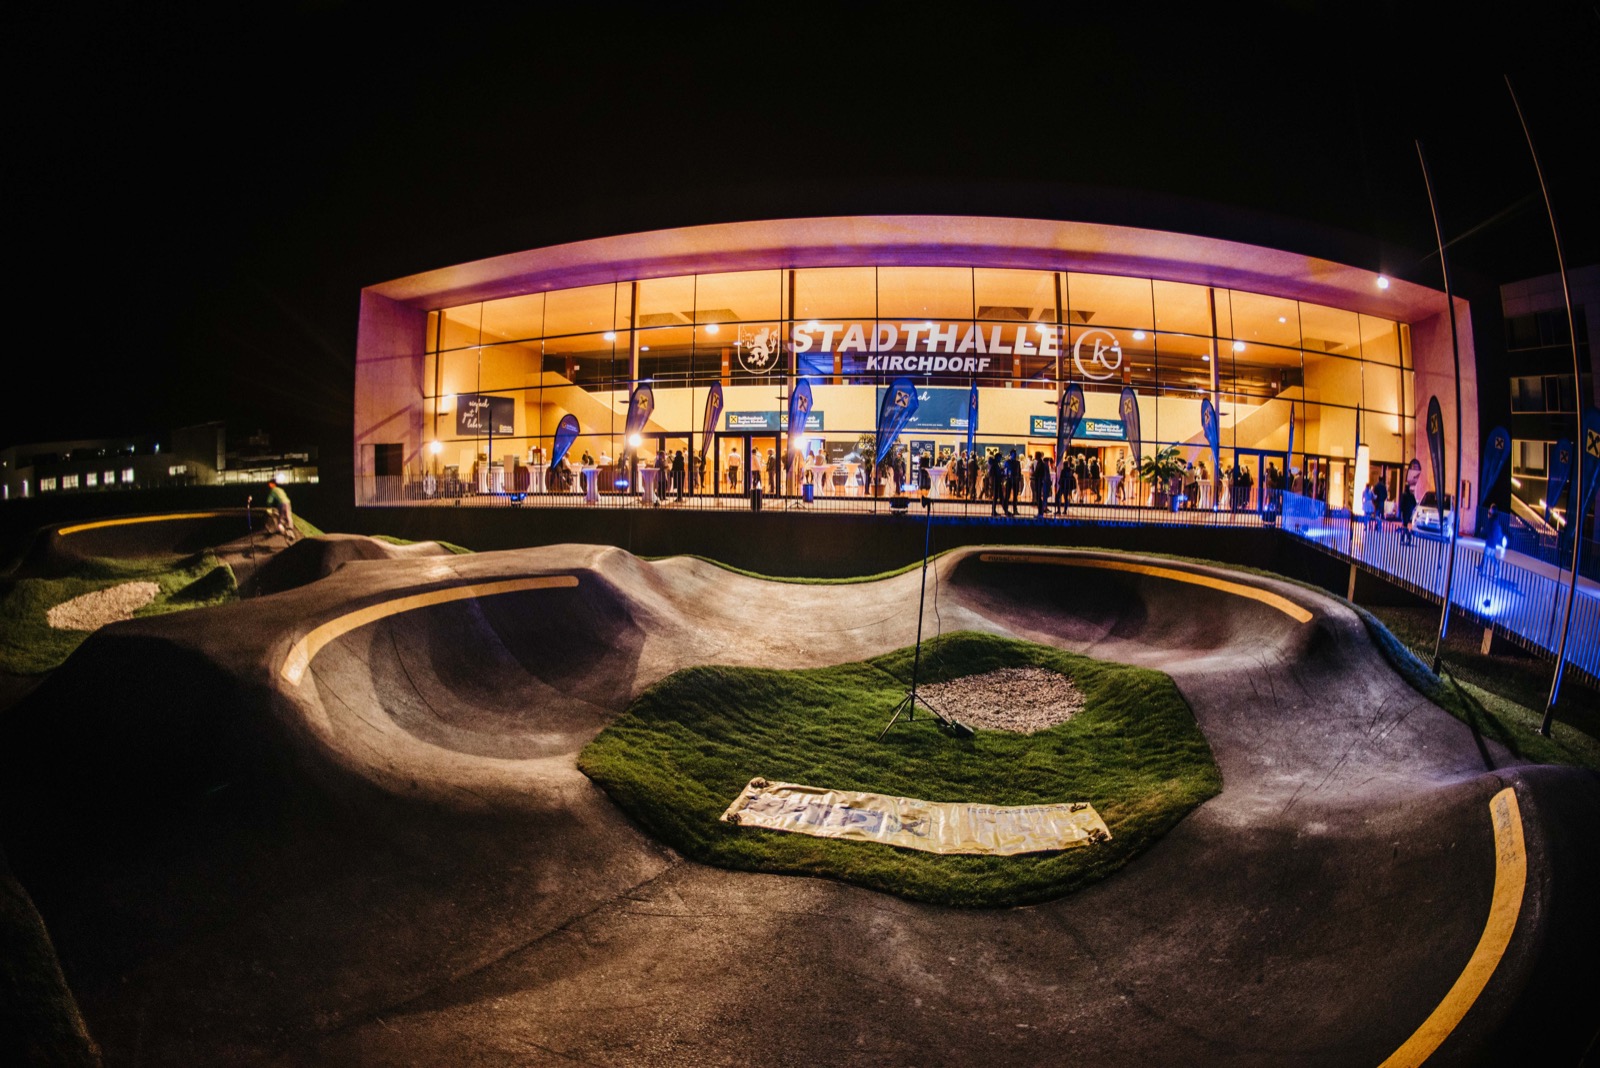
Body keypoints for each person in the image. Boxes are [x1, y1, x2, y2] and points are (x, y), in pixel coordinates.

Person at [1478, 502, 1508, 579]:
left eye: (1490, 508)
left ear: (1492, 510)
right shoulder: (1496, 519)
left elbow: (1488, 529)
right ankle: (1497, 571)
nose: (1489, 509)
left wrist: (1482, 531)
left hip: (1490, 541)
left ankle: (1483, 571)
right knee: (1491, 557)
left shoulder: (1491, 520)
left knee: (1486, 556)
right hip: (1493, 542)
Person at [266, 479, 297, 543]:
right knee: (288, 517)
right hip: (288, 502)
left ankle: (285, 533)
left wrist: (268, 504)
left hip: (282, 504)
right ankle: (291, 531)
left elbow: (269, 500)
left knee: (281, 521)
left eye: (270, 484)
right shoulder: (280, 489)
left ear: (272, 484)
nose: (269, 486)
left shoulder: (273, 490)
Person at [1031, 452, 1051, 517]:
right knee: (1038, 497)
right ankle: (1040, 512)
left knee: (1038, 497)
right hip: (1038, 481)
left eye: (1036, 455)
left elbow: (1038, 473)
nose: (1035, 456)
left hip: (1039, 481)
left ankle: (1040, 512)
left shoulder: (1041, 464)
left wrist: (1033, 474)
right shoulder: (1039, 463)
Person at [1003, 449, 1022, 516]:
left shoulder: (1017, 463)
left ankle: (1015, 510)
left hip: (1015, 480)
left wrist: (1019, 478)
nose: (1014, 456)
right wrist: (1006, 477)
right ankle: (1006, 509)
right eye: (1013, 454)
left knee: (1015, 496)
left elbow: (1019, 471)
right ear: (1011, 455)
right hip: (1009, 480)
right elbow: (1004, 470)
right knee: (1007, 495)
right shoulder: (1007, 462)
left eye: (1015, 454)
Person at [988, 449, 1004, 516]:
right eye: (1000, 458)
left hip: (996, 481)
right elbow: (993, 473)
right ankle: (994, 511)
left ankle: (996, 510)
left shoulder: (995, 464)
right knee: (996, 496)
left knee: (998, 496)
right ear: (997, 457)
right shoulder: (995, 464)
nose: (1000, 459)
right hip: (996, 482)